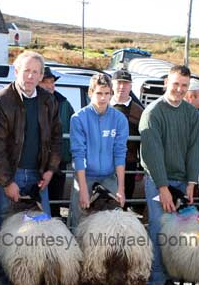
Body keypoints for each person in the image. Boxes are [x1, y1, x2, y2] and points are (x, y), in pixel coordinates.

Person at [139, 65, 199, 285]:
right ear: (166, 83)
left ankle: (171, 276)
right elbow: (152, 154)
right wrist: (163, 188)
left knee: (179, 231)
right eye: (176, 84)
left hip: (182, 179)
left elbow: (195, 147)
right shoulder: (153, 113)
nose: (179, 89)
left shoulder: (190, 113)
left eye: (184, 86)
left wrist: (191, 182)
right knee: (158, 227)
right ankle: (155, 279)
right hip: (159, 180)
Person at [0, 51, 62, 223]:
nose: (30, 76)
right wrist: (7, 182)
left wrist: (50, 170)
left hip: (39, 176)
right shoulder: (0, 101)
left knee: (43, 229)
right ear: (16, 71)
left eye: (35, 72)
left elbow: (57, 138)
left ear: (41, 75)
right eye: (26, 70)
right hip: (9, 176)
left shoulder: (49, 101)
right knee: (8, 233)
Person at [69, 73, 128, 228]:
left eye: (107, 93)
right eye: (99, 93)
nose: (103, 98)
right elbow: (78, 154)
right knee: (79, 222)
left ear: (111, 94)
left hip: (109, 177)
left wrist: (121, 187)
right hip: (85, 176)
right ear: (90, 93)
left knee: (114, 222)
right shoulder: (78, 118)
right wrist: (82, 189)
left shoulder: (120, 119)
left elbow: (120, 153)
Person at [39, 67, 74, 218]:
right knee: (37, 203)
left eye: (52, 81)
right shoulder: (31, 102)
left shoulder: (64, 103)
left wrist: (68, 154)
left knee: (55, 202)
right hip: (37, 161)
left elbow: (74, 126)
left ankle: (54, 235)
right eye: (45, 82)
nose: (50, 85)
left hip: (58, 161)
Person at [110, 69, 145, 207]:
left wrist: (141, 168)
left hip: (128, 164)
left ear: (131, 86)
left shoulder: (139, 111)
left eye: (126, 83)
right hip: (104, 163)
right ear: (112, 84)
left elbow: (144, 143)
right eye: (119, 83)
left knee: (123, 203)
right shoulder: (102, 105)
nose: (122, 87)